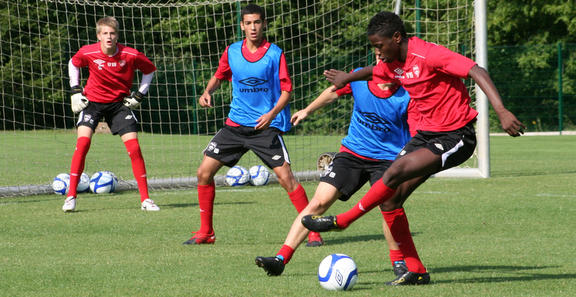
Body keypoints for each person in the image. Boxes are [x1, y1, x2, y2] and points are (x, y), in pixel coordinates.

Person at [302, 11, 526, 286]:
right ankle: (416, 270)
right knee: (390, 199)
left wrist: (501, 111)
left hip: (456, 135)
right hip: (426, 137)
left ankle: (344, 221)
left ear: (397, 37)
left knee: (393, 172)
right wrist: (348, 77)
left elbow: (476, 70)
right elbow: (374, 71)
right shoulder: (395, 63)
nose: (378, 53)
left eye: (379, 46)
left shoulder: (429, 54)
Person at [255, 61, 421, 277]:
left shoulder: (408, 91)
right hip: (352, 154)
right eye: (380, 57)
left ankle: (399, 263)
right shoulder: (359, 79)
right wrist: (307, 110)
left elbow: (417, 128)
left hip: (388, 160)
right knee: (319, 202)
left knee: (389, 207)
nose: (384, 62)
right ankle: (280, 259)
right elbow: (333, 92)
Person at [182, 4, 323, 246]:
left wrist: (271, 114)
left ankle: (313, 232)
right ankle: (206, 233)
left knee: (286, 178)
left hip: (264, 128)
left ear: (264, 24)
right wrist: (207, 91)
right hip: (235, 127)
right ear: (242, 26)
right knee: (203, 173)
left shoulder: (274, 54)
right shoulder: (232, 51)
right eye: (248, 23)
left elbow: (287, 91)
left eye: (257, 22)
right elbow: (220, 75)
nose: (253, 27)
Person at [62, 16, 159, 212]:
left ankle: (146, 200)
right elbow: (73, 63)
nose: (109, 37)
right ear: (98, 35)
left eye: (112, 33)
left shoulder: (130, 54)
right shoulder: (88, 51)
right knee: (82, 144)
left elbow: (149, 70)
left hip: (118, 105)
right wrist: (75, 90)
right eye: (105, 33)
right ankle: (70, 197)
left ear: (117, 36)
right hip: (93, 103)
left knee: (134, 148)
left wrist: (140, 94)